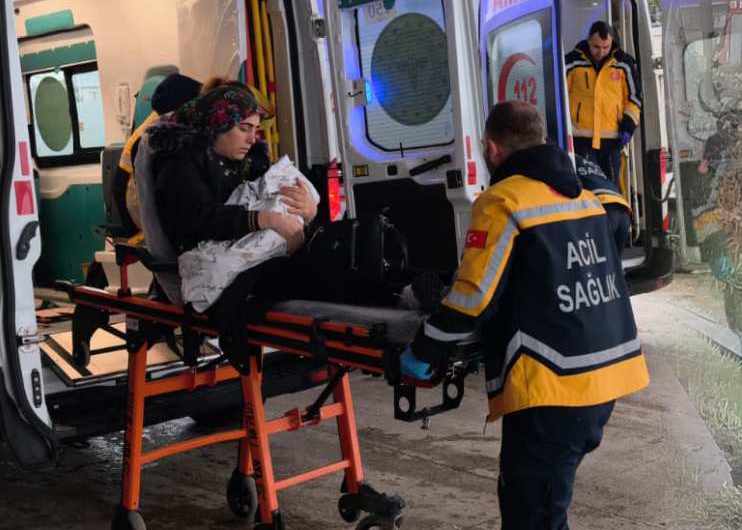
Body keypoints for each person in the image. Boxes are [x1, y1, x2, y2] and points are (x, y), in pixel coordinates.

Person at [400, 101, 649, 530]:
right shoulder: (586, 199)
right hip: (602, 380)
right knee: (543, 508)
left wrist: (424, 348)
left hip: (554, 389)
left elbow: (473, 297)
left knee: (531, 514)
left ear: (492, 149)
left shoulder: (503, 200)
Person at [146, 78, 395, 367]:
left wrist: (309, 210)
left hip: (260, 255)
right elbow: (195, 219)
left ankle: (401, 294)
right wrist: (265, 219)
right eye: (244, 129)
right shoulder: (180, 162)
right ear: (219, 124)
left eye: (255, 130)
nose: (253, 139)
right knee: (325, 271)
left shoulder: (248, 159)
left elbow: (274, 201)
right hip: (227, 266)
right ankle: (391, 306)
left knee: (342, 252)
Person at [116, 72, 203, 238]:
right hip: (148, 225)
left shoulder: (162, 124)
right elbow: (119, 186)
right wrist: (135, 235)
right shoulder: (152, 136)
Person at [565, 21, 642, 182]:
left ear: (611, 42)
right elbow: (561, 95)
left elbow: (634, 97)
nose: (601, 52)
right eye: (596, 47)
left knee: (612, 187)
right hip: (581, 139)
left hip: (612, 140)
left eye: (605, 47)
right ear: (588, 41)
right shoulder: (572, 62)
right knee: (587, 187)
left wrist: (628, 125)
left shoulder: (623, 64)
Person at [575, 153, 632, 253]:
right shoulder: (592, 165)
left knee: (599, 261)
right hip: (623, 210)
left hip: (605, 211)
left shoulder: (566, 162)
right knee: (615, 263)